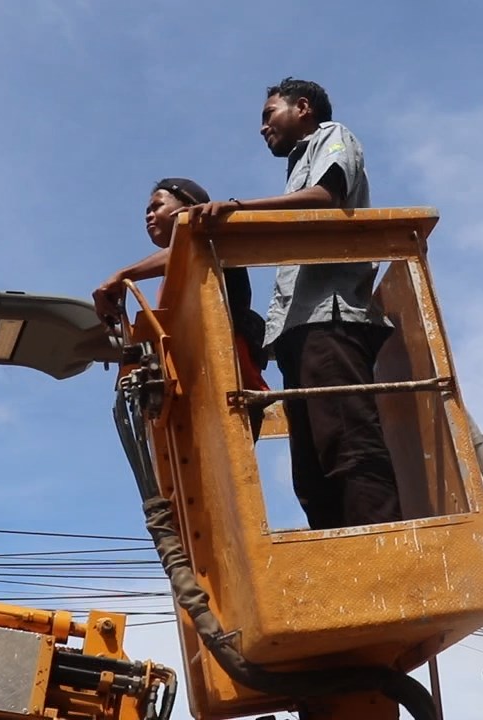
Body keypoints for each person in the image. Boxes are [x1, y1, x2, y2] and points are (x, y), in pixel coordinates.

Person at [185, 78, 401, 531]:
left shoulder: (332, 136)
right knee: (311, 471)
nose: (262, 128)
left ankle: (381, 550)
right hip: (297, 332)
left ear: (302, 107)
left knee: (348, 447)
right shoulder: (298, 165)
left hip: (330, 320)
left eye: (269, 115)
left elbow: (325, 198)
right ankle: (339, 555)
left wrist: (237, 208)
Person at [93, 178, 270, 440]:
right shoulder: (175, 277)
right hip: (198, 393)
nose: (148, 216)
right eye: (147, 211)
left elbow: (188, 244)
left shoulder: (210, 236)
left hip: (230, 388)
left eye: (157, 206)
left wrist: (123, 275)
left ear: (188, 207)